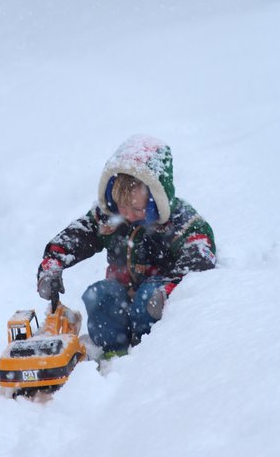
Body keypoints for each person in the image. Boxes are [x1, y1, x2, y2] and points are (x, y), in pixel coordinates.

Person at [37, 134, 216, 356]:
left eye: (138, 209)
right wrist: (52, 264)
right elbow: (77, 235)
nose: (129, 215)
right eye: (122, 207)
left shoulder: (180, 221)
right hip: (122, 294)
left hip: (158, 297)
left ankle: (149, 352)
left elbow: (199, 257)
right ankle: (113, 353)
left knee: (147, 297)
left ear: (156, 198)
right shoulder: (110, 218)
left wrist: (169, 290)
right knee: (99, 295)